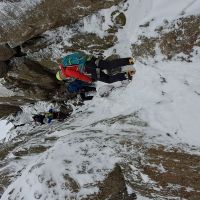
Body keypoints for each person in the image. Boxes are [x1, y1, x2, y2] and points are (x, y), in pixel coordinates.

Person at [55, 52, 135, 84]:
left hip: (89, 69)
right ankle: (129, 60)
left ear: (62, 75)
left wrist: (89, 80)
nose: (64, 77)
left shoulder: (67, 72)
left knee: (108, 79)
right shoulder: (66, 65)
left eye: (62, 77)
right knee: (109, 65)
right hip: (90, 60)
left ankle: (126, 75)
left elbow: (79, 76)